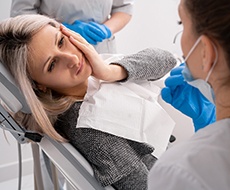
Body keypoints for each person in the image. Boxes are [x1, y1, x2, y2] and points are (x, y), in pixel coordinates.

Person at [0, 14, 177, 189]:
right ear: (39, 86)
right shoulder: (89, 128)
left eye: (61, 41)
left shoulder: (96, 75)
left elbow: (166, 59)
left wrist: (110, 72)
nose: (73, 59)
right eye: (52, 65)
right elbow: (144, 186)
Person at [149, 0, 230, 189]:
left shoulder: (182, 171)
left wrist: (213, 138)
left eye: (182, 24)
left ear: (206, 52)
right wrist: (211, 127)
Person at [10, 0, 133, 53]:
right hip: (56, 48)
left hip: (101, 49)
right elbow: (20, 14)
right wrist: (61, 29)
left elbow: (124, 8)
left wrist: (106, 29)